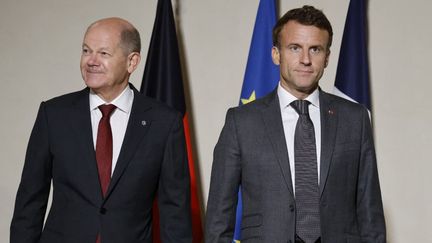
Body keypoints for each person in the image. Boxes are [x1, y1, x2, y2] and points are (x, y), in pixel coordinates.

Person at [205, 5, 386, 243]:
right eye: (294, 48)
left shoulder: (355, 119)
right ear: (276, 54)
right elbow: (219, 217)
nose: (305, 60)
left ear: (327, 57)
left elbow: (370, 212)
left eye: (315, 49)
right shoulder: (241, 122)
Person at [10, 17, 192, 243]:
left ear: (132, 61)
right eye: (86, 50)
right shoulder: (54, 114)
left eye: (104, 53)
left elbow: (175, 211)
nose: (91, 61)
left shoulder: (164, 122)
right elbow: (30, 200)